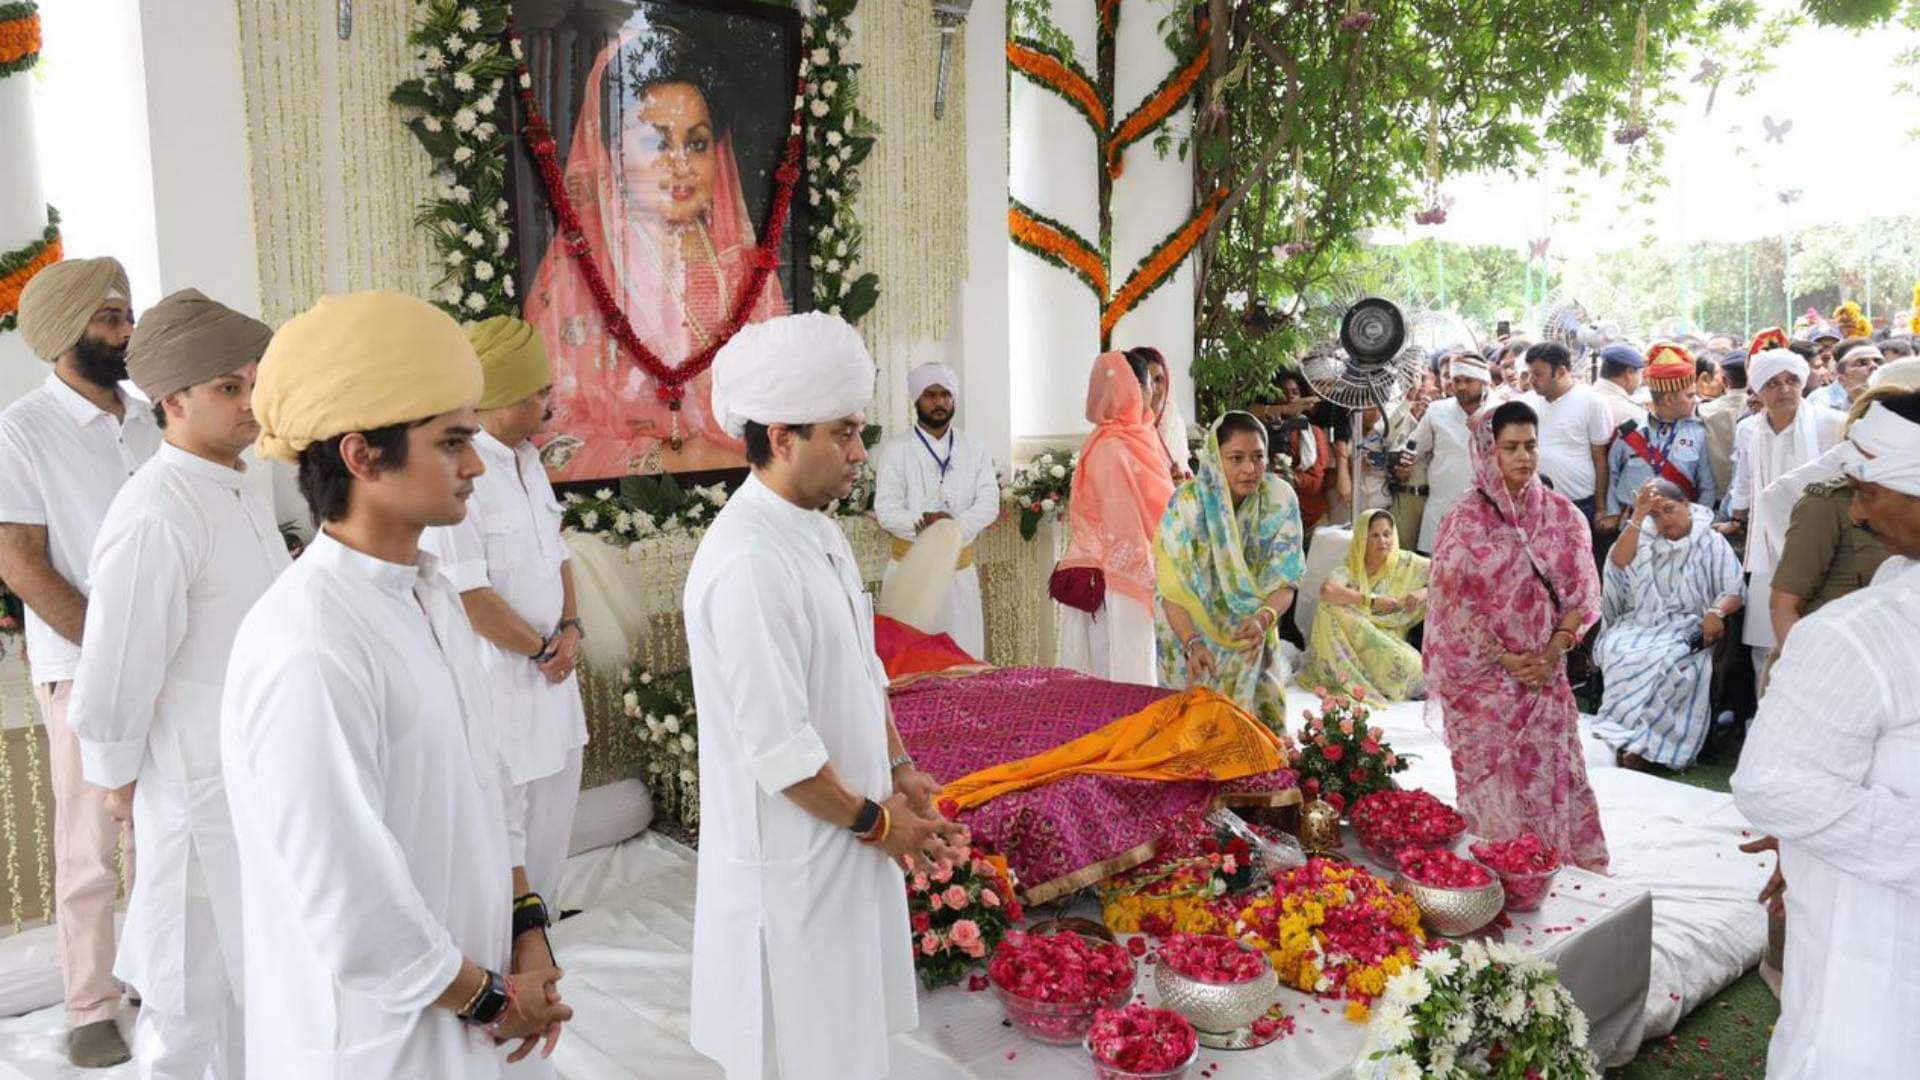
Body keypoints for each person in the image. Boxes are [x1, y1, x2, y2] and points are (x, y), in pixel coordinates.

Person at [221, 292, 571, 1077]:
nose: (475, 466)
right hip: (379, 1042)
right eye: (452, 442)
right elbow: (352, 905)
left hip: (471, 1002)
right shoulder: (310, 642)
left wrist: (527, 925)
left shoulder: (431, 594)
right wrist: (493, 1000)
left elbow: (490, 788)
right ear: (362, 456)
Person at [684, 311, 966, 1079]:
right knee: (805, 1047)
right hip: (796, 863)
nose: (859, 452)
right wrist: (882, 826)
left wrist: (900, 768)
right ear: (781, 438)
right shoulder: (749, 560)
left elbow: (861, 669)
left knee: (850, 1037)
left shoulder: (817, 529)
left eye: (858, 431)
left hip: (849, 834)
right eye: (843, 434)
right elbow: (782, 755)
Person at [63, 290, 280, 1078]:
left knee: (256, 988)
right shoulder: (157, 509)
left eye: (253, 383)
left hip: (255, 778)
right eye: (229, 387)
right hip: (195, 795)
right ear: (174, 400)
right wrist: (118, 782)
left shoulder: (236, 486)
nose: (249, 402)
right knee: (190, 1004)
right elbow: (116, 670)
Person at [1729, 390, 1920, 1077]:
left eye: (1869, 492)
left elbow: (1775, 786)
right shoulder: (1858, 627)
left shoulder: (1860, 633)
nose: (1859, 513)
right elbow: (1780, 787)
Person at [0, 256, 156, 1068]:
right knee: (91, 846)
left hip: (169, 662)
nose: (126, 331)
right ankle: (91, 1006)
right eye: (108, 319)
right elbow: (20, 562)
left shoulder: (153, 419)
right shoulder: (21, 429)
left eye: (126, 314)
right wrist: (114, 650)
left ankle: (158, 978)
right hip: (84, 667)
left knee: (164, 834)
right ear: (64, 330)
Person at [526, 24, 786, 480]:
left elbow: (788, 412)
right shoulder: (573, 278)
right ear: (610, 152)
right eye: (657, 141)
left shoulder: (747, 274)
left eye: (697, 143)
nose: (680, 165)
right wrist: (671, 461)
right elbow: (541, 437)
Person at [418, 316, 591, 909]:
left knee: (557, 799)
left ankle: (545, 917)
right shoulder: (462, 473)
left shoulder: (528, 459)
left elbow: (558, 552)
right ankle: (511, 931)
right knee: (506, 817)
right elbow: (469, 595)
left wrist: (571, 628)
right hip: (503, 680)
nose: (549, 406)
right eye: (538, 394)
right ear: (501, 399)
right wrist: (541, 649)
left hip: (554, 674)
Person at [1424, 401, 1608, 872]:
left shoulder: (1563, 517)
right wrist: (1505, 658)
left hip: (1544, 677)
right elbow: (1451, 609)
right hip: (1483, 684)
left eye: (1530, 445)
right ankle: (1500, 872)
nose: (1524, 457)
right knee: (1494, 790)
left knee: (1546, 777)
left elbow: (1583, 594)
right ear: (1488, 452)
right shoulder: (1464, 521)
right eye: (1510, 448)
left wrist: (1552, 652)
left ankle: (1550, 867)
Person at [1152, 413, 1305, 731]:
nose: (1250, 468)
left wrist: (1263, 618)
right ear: (1214, 457)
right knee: (1191, 729)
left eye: (1258, 457)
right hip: (1189, 627)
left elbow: (1287, 577)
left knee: (1256, 728)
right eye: (1236, 458)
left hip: (1252, 627)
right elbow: (1172, 586)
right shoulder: (1187, 503)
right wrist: (1191, 643)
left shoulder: (1278, 499)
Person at [1589, 479, 1745, 771]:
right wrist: (1638, 515)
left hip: (1689, 625)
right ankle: (1627, 735)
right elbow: (1618, 563)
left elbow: (1734, 591)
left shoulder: (1710, 540)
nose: (1664, 519)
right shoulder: (1645, 534)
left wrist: (1717, 612)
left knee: (1667, 660)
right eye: (1655, 514)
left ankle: (1651, 747)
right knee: (1618, 650)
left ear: (1687, 504)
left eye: (1670, 510)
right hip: (1641, 622)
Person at [1055, 352, 1178, 684]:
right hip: (1119, 577)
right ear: (1132, 389)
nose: (1153, 391)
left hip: (1138, 567)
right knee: (1123, 670)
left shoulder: (1136, 435)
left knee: (1135, 664)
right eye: (1148, 383)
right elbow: (1124, 522)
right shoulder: (1112, 446)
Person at [1728, 347, 1846, 686]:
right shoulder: (1748, 429)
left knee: (1819, 638)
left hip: (1820, 542)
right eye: (1773, 383)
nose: (1784, 390)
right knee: (1765, 642)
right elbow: (1745, 479)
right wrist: (1737, 515)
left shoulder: (1831, 423)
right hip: (1767, 545)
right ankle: (1767, 708)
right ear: (1759, 390)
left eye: (1792, 380)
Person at [872, 362, 1000, 658]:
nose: (939, 402)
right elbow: (886, 510)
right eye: (930, 395)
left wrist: (951, 529)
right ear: (917, 399)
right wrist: (923, 524)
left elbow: (988, 502)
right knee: (910, 661)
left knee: (963, 658)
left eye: (945, 395)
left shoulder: (974, 447)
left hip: (958, 575)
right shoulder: (896, 449)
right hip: (909, 574)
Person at [1302, 509, 1429, 702]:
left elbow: (1447, 572)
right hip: (1354, 644)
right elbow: (1327, 590)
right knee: (1327, 608)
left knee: (1408, 665)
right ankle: (1349, 675)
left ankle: (1377, 679)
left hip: (1389, 640)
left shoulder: (1406, 562)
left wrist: (1423, 592)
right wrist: (1370, 600)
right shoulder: (1352, 565)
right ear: (1362, 538)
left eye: (1386, 534)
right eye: (1374, 535)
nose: (1382, 541)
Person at [1603, 343, 1716, 528]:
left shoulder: (1698, 433)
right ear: (1669, 399)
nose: (1695, 401)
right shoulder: (1629, 432)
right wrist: (1612, 512)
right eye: (1689, 396)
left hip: (1679, 526)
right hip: (1635, 525)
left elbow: (1707, 487)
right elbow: (1612, 475)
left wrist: (1697, 525)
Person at [1406, 351, 1500, 552]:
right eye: (1457, 380)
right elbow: (1413, 448)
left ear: (1483, 380)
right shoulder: (1437, 411)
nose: (1462, 386)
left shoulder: (1502, 411)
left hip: (1487, 516)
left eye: (1469, 380)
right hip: (1442, 512)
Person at [1523, 342, 1613, 526]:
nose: (1531, 380)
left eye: (1538, 374)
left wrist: (1601, 508)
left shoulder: (1593, 403)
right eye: (1530, 373)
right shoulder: (1526, 402)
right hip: (1535, 503)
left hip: (1579, 503)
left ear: (1561, 371)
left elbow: (1601, 459)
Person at [1700, 338, 1760, 506]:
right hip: (1750, 496)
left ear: (1724, 381)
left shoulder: (1705, 411)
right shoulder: (1763, 408)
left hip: (1715, 496)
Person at [1130, 346, 1193, 482]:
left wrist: (1179, 480)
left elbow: (1183, 472)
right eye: (1146, 381)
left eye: (1158, 379)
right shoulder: (1123, 429)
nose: (1154, 388)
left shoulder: (1175, 425)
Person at [1810, 338, 1881, 411]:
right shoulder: (1821, 400)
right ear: (1840, 370)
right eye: (1862, 362)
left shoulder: (1884, 398)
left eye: (1877, 361)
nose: (1874, 366)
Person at [1592, 342, 1649, 429]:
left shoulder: (1588, 393)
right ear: (1629, 372)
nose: (1640, 379)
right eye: (1639, 373)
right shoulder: (1632, 414)